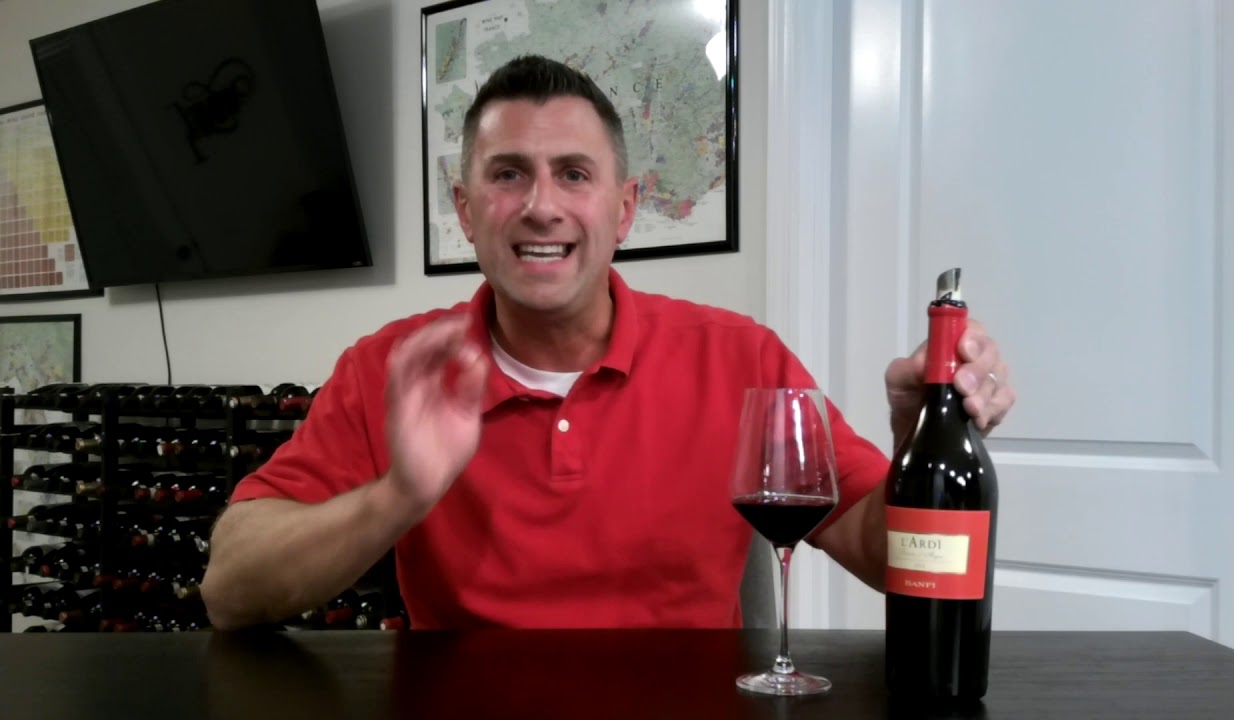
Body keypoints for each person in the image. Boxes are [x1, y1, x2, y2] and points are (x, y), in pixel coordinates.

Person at [200, 55, 1016, 631]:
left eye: (574, 173)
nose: (541, 206)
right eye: (508, 173)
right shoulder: (390, 367)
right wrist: (399, 494)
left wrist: (918, 442)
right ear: (466, 210)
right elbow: (229, 591)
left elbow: (902, 563)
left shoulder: (742, 359)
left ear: (624, 210)